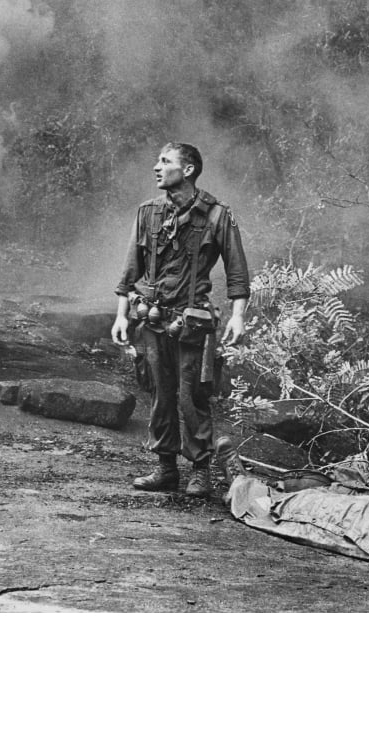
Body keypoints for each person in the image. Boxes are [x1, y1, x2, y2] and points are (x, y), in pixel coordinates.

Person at [111, 142, 250, 497]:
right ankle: (166, 468)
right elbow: (129, 272)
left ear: (187, 170)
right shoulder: (147, 213)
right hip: (153, 320)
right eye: (158, 160)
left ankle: (200, 470)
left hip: (193, 324)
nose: (156, 167)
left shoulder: (218, 215)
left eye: (165, 161)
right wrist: (122, 316)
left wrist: (237, 316)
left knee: (193, 397)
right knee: (160, 394)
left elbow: (237, 272)